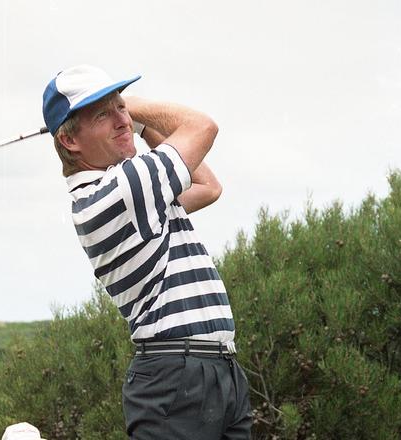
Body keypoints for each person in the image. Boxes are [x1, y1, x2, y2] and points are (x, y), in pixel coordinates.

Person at [42, 65, 252, 439]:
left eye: (120, 106)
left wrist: (130, 122)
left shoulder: (136, 188)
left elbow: (208, 186)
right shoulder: (118, 189)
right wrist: (137, 111)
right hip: (176, 376)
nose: (120, 118)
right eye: (103, 113)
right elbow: (203, 126)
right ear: (70, 141)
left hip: (213, 371)